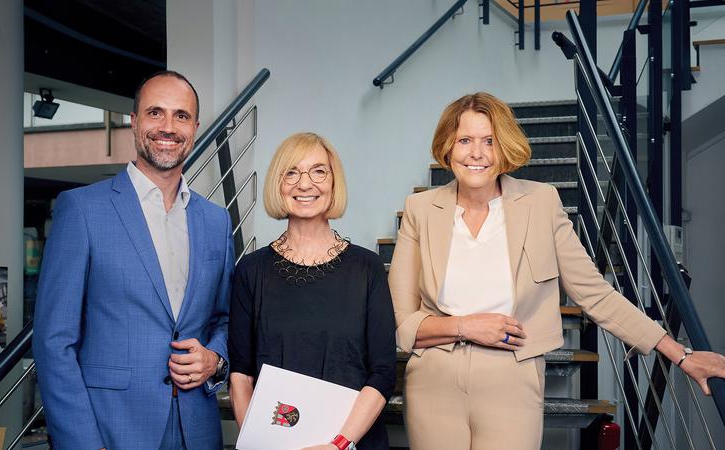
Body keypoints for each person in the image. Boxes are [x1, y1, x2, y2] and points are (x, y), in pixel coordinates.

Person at [389, 92, 725, 450]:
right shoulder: (421, 209)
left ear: (505, 147)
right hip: (433, 382)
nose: (477, 153)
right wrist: (466, 326)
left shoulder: (541, 202)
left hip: (513, 380)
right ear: (447, 147)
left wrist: (680, 354)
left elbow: (594, 293)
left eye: (489, 141)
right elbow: (402, 320)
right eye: (465, 141)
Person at [33, 70, 233, 450]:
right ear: (134, 122)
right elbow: (53, 341)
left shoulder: (216, 220)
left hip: (197, 431)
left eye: (181, 115)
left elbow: (224, 318)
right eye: (155, 113)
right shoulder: (82, 210)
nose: (168, 127)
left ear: (195, 127)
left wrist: (215, 360)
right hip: (111, 431)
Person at [228, 132, 396, 450]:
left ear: (334, 183)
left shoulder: (367, 268)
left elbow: (384, 372)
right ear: (278, 184)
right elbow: (240, 375)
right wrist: (260, 444)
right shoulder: (250, 271)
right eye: (291, 172)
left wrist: (339, 444)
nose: (305, 184)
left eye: (318, 171)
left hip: (353, 444)